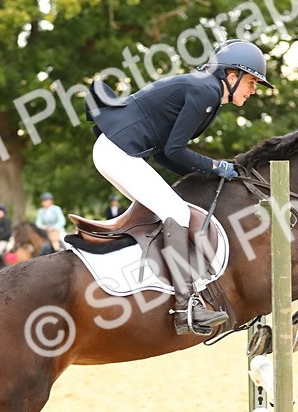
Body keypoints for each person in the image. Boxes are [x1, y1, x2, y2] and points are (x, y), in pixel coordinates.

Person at [84, 38, 271, 334]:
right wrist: (216, 167)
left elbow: (165, 153)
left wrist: (207, 173)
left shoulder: (205, 90)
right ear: (231, 77)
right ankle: (186, 306)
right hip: (117, 152)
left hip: (115, 151)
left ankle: (158, 288)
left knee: (167, 209)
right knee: (178, 213)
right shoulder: (206, 91)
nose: (253, 90)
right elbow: (174, 151)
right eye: (251, 82)